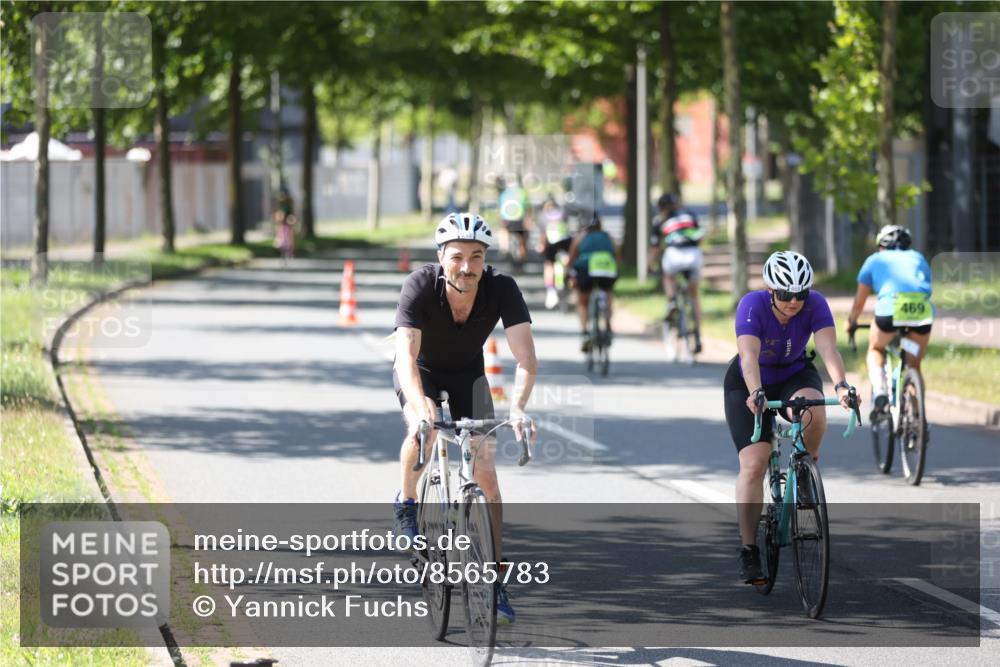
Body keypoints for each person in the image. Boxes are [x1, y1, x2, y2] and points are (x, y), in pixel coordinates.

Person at [392, 212, 539, 624]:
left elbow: (526, 358)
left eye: (476, 257)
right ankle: (406, 503)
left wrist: (518, 407)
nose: (466, 267)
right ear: (441, 257)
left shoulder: (502, 288)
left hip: (468, 376)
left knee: (487, 476)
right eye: (457, 256)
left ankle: (493, 578)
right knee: (423, 431)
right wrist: (421, 408)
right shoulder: (420, 285)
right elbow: (405, 358)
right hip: (420, 371)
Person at [724, 251, 856, 584]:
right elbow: (748, 355)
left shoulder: (816, 304)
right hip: (749, 381)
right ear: (770, 290)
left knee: (813, 410)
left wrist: (841, 385)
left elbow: (828, 349)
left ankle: (806, 468)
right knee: (754, 463)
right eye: (785, 294)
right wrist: (756, 392)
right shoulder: (751, 305)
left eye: (801, 293)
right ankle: (749, 548)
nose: (794, 301)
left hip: (794, 374)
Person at [846, 225, 933, 421]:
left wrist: (852, 322)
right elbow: (926, 290)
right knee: (914, 365)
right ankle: (918, 420)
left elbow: (859, 302)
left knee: (876, 348)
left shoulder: (875, 259)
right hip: (920, 313)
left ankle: (880, 392)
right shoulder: (918, 258)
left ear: (881, 246)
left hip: (889, 311)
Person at [649, 193, 705, 353]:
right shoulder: (690, 215)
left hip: (674, 255)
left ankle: (672, 300)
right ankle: (698, 334)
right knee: (694, 296)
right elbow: (700, 237)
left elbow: (655, 249)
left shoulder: (660, 221)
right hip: (693, 254)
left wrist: (649, 266)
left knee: (668, 276)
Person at [566, 212, 620, 352]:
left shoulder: (580, 236)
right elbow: (616, 254)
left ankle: (585, 332)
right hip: (607, 268)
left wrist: (569, 271)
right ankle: (608, 324)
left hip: (586, 268)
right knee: (608, 292)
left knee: (582, 301)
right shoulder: (607, 236)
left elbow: (571, 257)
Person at [536, 196, 573, 310]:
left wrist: (541, 245)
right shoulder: (563, 214)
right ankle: (569, 283)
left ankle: (551, 291)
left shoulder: (543, 216)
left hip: (552, 244)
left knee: (548, 266)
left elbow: (543, 235)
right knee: (568, 263)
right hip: (565, 243)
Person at [497, 177, 531, 272]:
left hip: (508, 220)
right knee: (523, 241)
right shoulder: (523, 193)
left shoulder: (504, 194)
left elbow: (501, 209)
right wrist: (528, 220)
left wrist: (502, 221)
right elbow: (528, 208)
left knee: (503, 231)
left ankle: (504, 247)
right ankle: (522, 261)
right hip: (520, 220)